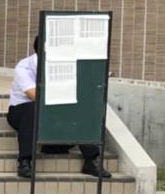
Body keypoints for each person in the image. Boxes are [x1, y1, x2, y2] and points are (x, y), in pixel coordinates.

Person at [8, 37, 111, 179]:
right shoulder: (24, 67)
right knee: (33, 109)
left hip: (52, 111)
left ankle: (92, 161)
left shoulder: (64, 64)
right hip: (21, 111)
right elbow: (35, 96)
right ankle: (24, 162)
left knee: (81, 108)